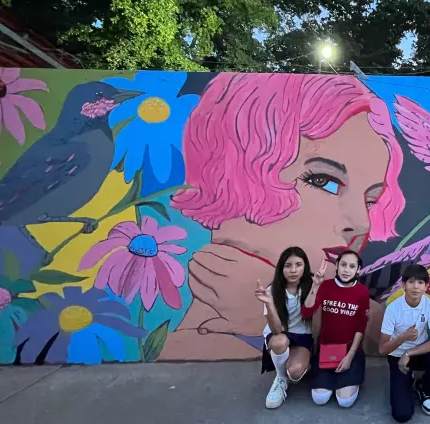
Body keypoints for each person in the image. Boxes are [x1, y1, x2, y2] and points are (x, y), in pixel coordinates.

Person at [161, 73, 405, 360]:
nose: (362, 224)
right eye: (323, 181)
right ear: (235, 170)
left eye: (371, 200)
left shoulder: (344, 297)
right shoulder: (189, 346)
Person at [379, 264, 430, 422]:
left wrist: (408, 353)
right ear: (404, 285)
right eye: (411, 282)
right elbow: (382, 349)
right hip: (397, 356)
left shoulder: (429, 305)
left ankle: (424, 389)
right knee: (402, 415)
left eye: (420, 282)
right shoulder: (393, 309)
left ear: (426, 286)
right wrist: (402, 338)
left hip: (418, 352)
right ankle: (407, 380)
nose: (415, 287)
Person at [302, 250, 370, 408]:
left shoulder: (362, 292)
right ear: (337, 266)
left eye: (352, 266)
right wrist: (315, 286)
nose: (347, 270)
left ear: (358, 270)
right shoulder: (325, 286)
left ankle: (350, 377)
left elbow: (361, 326)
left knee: (344, 401)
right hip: (326, 349)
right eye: (343, 265)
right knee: (320, 399)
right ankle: (330, 379)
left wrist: (350, 356)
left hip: (350, 350)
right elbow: (306, 312)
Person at [254, 246, 314, 409]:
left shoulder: (312, 286)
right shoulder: (272, 290)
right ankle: (280, 379)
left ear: (305, 266)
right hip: (280, 333)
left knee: (295, 373)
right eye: (288, 266)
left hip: (303, 336)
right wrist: (269, 303)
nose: (293, 270)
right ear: (281, 269)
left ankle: (295, 366)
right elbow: (277, 330)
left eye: (298, 265)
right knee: (279, 342)